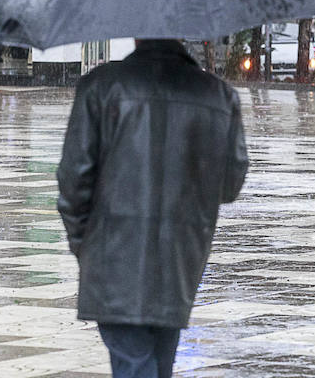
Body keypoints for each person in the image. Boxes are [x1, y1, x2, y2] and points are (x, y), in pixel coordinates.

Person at [56, 39, 248, 378]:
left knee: (136, 365)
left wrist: (83, 245)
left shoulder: (101, 87)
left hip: (113, 257)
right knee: (156, 366)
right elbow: (229, 185)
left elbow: (74, 179)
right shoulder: (218, 96)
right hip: (180, 258)